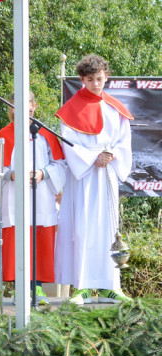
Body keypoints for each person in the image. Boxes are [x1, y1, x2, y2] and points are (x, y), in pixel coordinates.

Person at [55, 55, 133, 303]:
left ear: (106, 77)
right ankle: (83, 286)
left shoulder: (114, 108)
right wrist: (91, 158)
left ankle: (111, 286)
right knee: (83, 228)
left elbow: (124, 142)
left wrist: (112, 155)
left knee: (109, 229)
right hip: (85, 178)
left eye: (99, 79)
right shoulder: (71, 110)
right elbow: (69, 144)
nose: (95, 84)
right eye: (90, 80)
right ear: (81, 80)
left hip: (107, 173)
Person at [0, 99, 67, 304]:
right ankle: (19, 289)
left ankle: (38, 288)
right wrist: (12, 175)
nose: (26, 108)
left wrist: (43, 173)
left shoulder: (45, 133)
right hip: (14, 196)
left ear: (34, 106)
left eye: (29, 103)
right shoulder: (3, 134)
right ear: (11, 108)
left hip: (41, 196)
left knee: (40, 239)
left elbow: (60, 164)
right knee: (16, 240)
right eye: (18, 104)